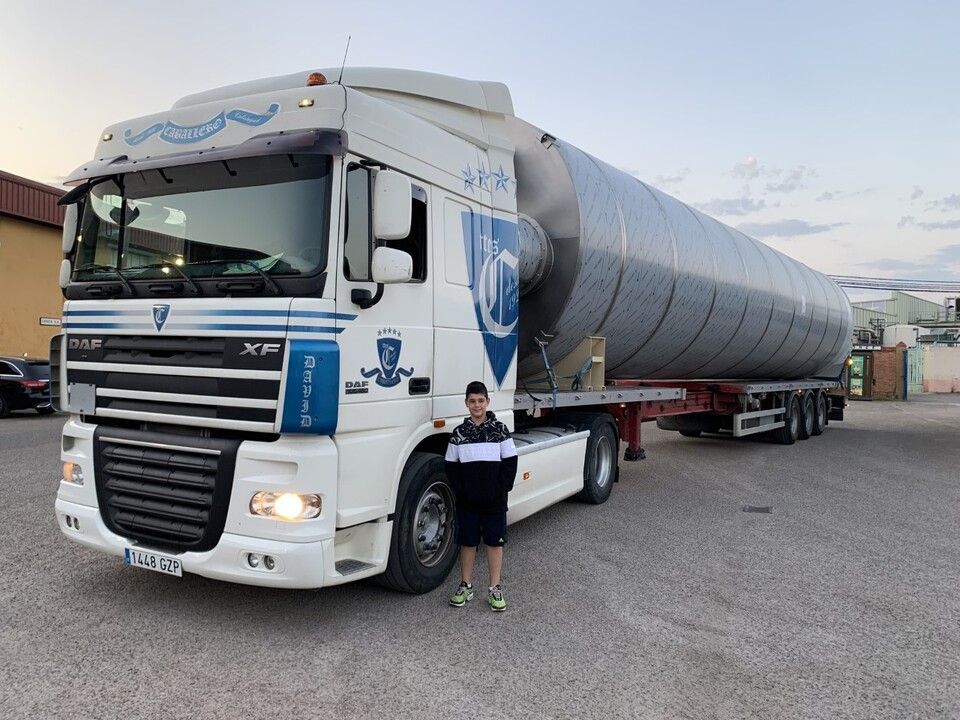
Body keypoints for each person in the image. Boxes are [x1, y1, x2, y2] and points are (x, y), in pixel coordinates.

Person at [444, 381, 518, 611]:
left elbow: (511, 462)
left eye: (481, 401)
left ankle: (495, 588)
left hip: (494, 501)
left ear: (488, 402)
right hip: (468, 502)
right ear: (466, 403)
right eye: (472, 401)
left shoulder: (500, 430)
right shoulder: (459, 434)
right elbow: (450, 466)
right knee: (467, 543)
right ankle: (465, 585)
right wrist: (462, 490)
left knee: (494, 544)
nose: (477, 405)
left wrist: (500, 489)